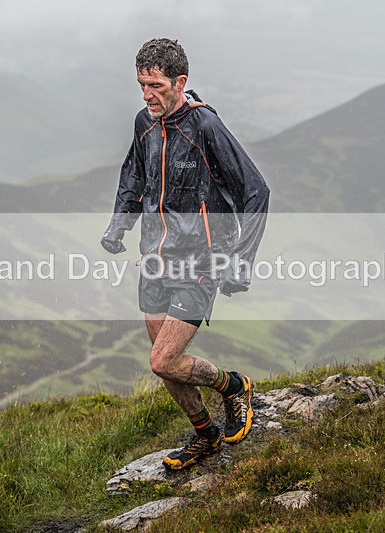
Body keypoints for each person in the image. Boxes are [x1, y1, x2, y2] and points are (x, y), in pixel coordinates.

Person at [101, 38, 270, 470]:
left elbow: (257, 192)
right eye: (141, 84)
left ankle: (234, 387)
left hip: (201, 260)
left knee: (163, 360)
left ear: (181, 82)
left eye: (155, 85)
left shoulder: (205, 128)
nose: (146, 95)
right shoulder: (145, 121)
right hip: (154, 258)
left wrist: (239, 263)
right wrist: (119, 226)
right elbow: (132, 178)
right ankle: (205, 435)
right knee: (167, 367)